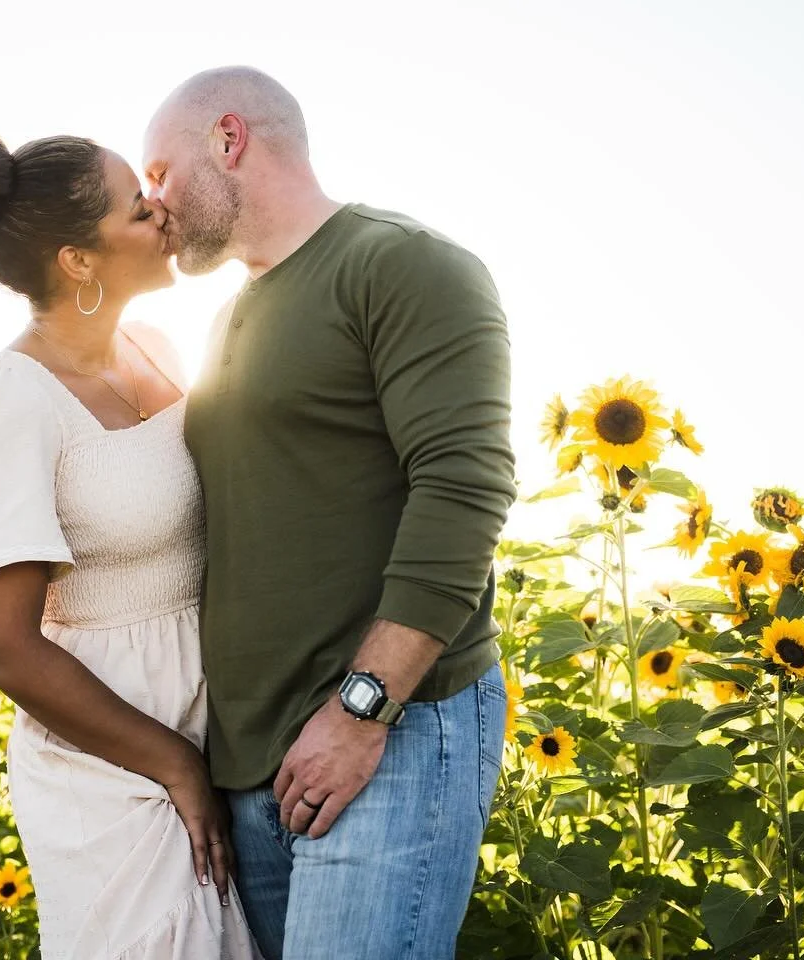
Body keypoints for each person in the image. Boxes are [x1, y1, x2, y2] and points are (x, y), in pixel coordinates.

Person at [142, 66, 518, 959]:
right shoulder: (229, 320)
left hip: (389, 733)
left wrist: (361, 711)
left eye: (159, 174)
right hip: (253, 768)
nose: (151, 204)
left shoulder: (401, 263)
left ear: (228, 139)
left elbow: (465, 487)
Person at [0, 131, 261, 959]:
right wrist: (173, 766)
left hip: (219, 730)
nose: (164, 213)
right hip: (113, 764)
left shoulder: (157, 351)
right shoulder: (9, 400)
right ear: (79, 261)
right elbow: (1, 645)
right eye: (139, 209)